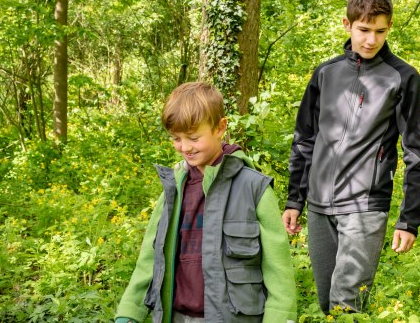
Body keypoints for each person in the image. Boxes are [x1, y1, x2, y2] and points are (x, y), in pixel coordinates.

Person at [283, 0, 420, 314]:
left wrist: (409, 220)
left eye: (380, 31)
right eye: (364, 30)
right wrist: (295, 198)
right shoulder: (325, 73)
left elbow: (418, 154)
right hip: (320, 206)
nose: (370, 40)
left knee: (346, 306)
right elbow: (304, 139)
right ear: (346, 24)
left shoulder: (404, 79)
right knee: (327, 304)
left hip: (366, 206)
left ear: (389, 28)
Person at [115, 82, 297, 323]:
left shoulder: (254, 187)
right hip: (176, 316)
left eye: (193, 137)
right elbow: (151, 256)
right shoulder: (174, 188)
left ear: (220, 128)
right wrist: (130, 312)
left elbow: (278, 269)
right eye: (176, 139)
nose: (185, 147)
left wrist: (280, 318)